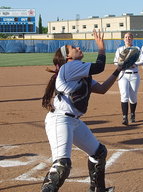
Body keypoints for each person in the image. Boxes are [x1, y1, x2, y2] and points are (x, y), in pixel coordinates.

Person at [40, 29, 120, 192]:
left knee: (99, 153)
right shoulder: (68, 68)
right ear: (67, 57)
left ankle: (98, 189)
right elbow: (99, 67)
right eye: (73, 48)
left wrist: (119, 70)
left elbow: (103, 88)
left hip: (74, 121)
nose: (78, 48)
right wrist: (101, 47)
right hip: (60, 120)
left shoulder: (80, 74)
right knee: (62, 166)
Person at [114, 32, 143, 126]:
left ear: (132, 39)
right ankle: (125, 117)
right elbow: (116, 62)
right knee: (124, 95)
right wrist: (123, 64)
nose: (128, 39)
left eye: (130, 37)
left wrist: (135, 64)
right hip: (123, 74)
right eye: (126, 37)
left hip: (134, 75)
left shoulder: (137, 49)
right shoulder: (120, 49)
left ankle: (132, 114)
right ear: (124, 39)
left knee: (133, 97)